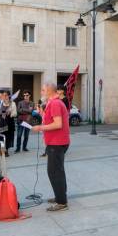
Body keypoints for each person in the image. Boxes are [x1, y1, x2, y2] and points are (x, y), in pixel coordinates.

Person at [32, 82, 71, 212]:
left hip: (57, 143)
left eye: (43, 90)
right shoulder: (52, 102)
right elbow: (49, 119)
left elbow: (58, 124)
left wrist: (40, 127)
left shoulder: (55, 103)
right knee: (58, 171)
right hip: (56, 142)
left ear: (49, 91)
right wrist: (41, 113)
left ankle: (62, 203)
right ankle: (60, 196)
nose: (41, 92)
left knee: (54, 172)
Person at [0, 89, 17, 156]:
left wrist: (10, 113)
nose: (4, 97)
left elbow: (15, 113)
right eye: (3, 95)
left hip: (9, 122)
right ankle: (0, 150)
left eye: (6, 95)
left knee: (8, 137)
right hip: (1, 122)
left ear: (9, 96)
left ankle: (6, 151)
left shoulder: (12, 103)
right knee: (0, 136)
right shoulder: (0, 103)